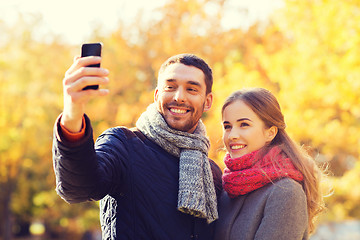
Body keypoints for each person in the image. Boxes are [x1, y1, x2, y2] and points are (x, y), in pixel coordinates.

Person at [52, 53, 223, 240]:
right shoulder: (123, 144)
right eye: (170, 87)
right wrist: (72, 114)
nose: (179, 97)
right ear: (157, 94)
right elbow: (78, 188)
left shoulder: (211, 172)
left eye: (191, 89)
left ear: (207, 101)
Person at [214, 88, 324, 240]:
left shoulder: (286, 192)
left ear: (270, 132)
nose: (232, 135)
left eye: (244, 124)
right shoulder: (227, 189)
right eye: (227, 126)